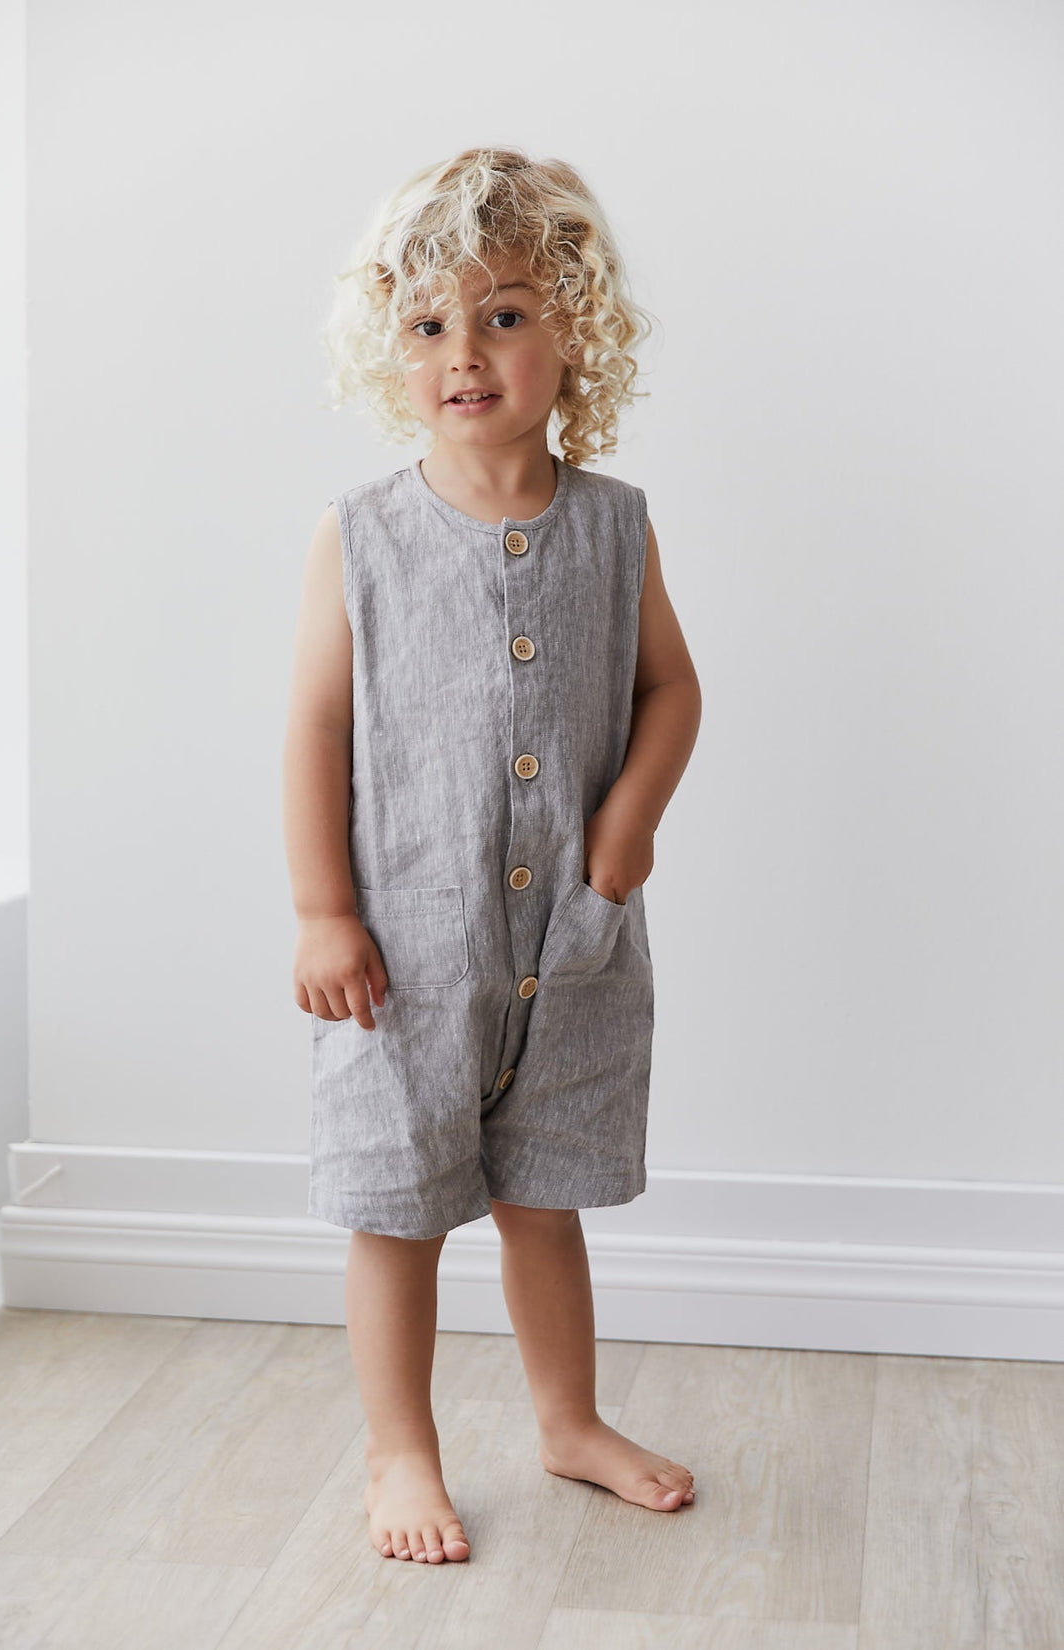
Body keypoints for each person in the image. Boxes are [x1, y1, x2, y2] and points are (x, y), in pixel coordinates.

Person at [282, 147, 702, 1566]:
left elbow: (672, 688)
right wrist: (322, 911)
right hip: (405, 953)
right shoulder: (361, 537)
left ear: (575, 329)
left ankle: (569, 1421)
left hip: (571, 943)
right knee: (397, 1212)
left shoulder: (615, 525)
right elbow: (315, 726)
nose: (463, 352)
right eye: (427, 324)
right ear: (389, 346)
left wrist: (625, 834)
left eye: (505, 315)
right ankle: (399, 1448)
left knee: (545, 1198)